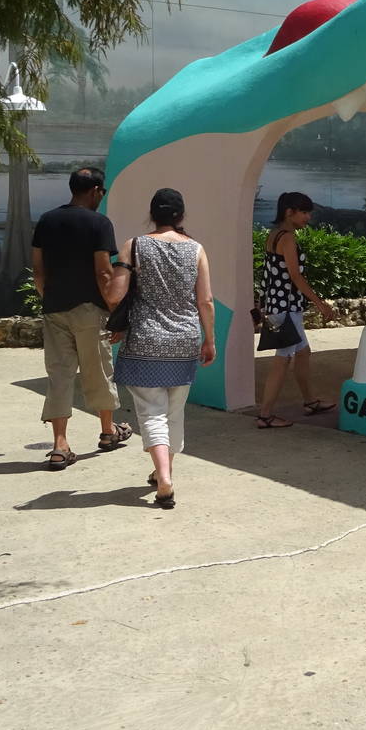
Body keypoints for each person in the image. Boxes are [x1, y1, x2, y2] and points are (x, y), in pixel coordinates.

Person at [106, 188, 214, 511]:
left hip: (144, 343)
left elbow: (114, 297)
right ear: (181, 216)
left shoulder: (134, 246)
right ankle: (161, 470)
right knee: (174, 412)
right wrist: (209, 340)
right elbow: (205, 301)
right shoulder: (196, 249)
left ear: (152, 214)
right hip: (183, 342)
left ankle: (164, 478)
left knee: (152, 413)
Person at [31, 167, 132, 471]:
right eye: (103, 192)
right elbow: (104, 272)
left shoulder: (47, 220)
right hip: (90, 309)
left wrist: (48, 297)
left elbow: (38, 269)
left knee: (59, 374)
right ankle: (107, 430)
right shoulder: (99, 223)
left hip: (54, 308)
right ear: (95, 191)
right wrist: (115, 312)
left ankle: (60, 445)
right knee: (98, 369)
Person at [254, 192, 337, 428]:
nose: (307, 217)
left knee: (303, 353)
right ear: (289, 212)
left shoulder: (273, 235)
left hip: (279, 306)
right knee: (283, 359)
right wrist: (320, 303)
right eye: (304, 212)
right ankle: (266, 415)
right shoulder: (288, 238)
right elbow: (295, 276)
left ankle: (310, 401)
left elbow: (272, 276)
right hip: (287, 309)